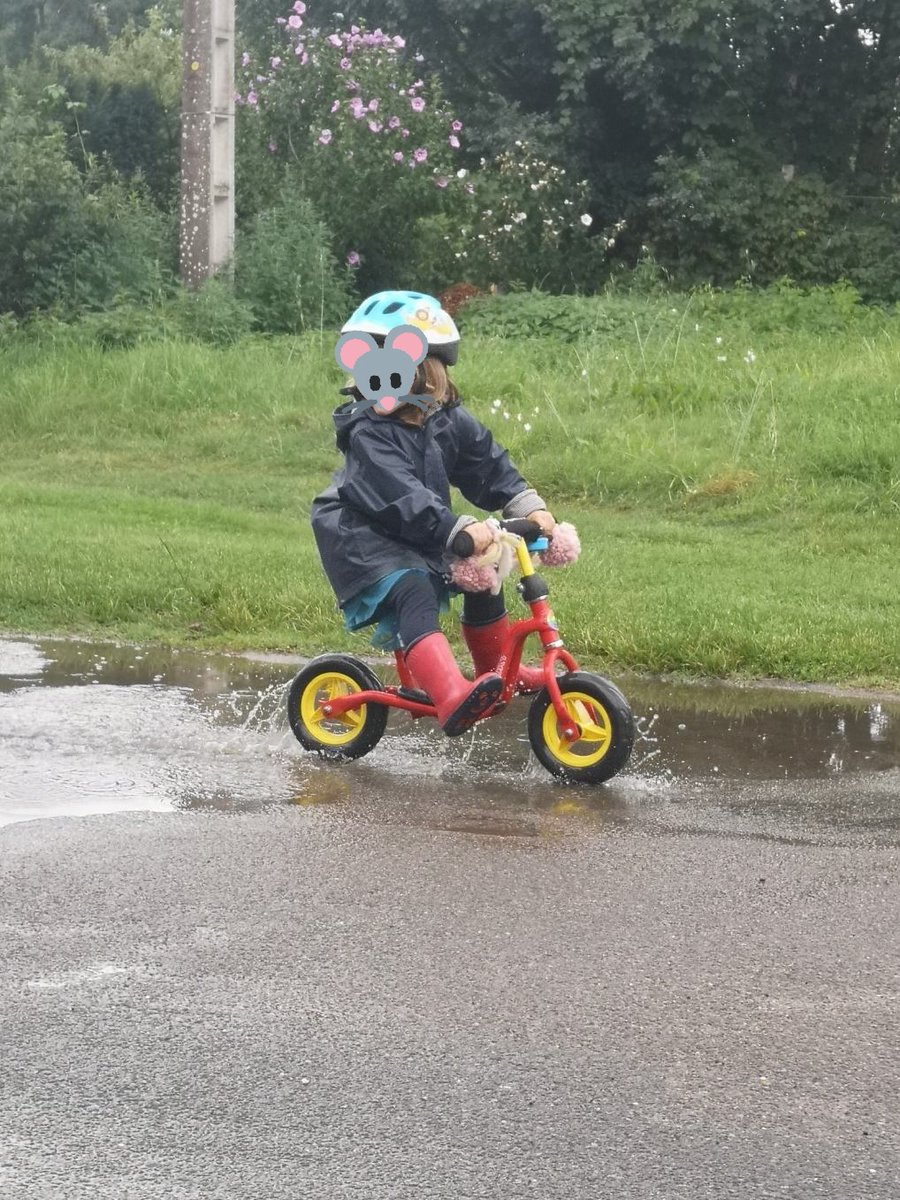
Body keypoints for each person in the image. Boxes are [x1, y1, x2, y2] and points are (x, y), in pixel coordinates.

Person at [310, 290, 555, 737]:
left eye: (437, 376)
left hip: (420, 532)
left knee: (484, 575)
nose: (437, 387)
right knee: (414, 590)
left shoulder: (443, 418)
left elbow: (486, 464)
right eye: (428, 376)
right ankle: (449, 695)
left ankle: (499, 671)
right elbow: (402, 496)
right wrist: (456, 529)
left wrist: (526, 504)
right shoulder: (370, 436)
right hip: (365, 540)